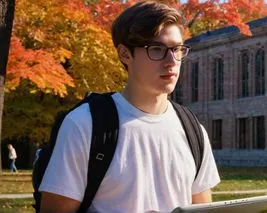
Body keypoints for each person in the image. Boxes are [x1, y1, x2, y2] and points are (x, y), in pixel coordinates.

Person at [39, 1, 220, 212]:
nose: (171, 60)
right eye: (157, 49)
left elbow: (204, 208)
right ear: (125, 54)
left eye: (177, 49)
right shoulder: (85, 124)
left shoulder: (193, 130)